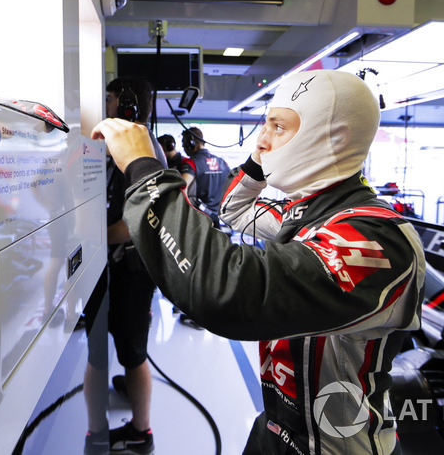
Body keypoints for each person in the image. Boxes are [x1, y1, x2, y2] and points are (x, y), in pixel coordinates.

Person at [91, 69, 426, 455]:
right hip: (276, 428)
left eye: (279, 127)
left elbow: (228, 293)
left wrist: (143, 170)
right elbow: (236, 208)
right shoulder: (308, 213)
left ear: (334, 139)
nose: (262, 139)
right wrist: (263, 150)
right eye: (263, 125)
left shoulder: (378, 238)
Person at [83, 77, 167, 455]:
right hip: (111, 268)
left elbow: (135, 225)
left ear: (128, 104)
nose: (107, 105)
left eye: (111, 99)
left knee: (131, 354)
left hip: (130, 271)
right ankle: (99, 429)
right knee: (101, 352)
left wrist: (86, 237)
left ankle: (139, 433)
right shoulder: (123, 145)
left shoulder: (141, 151)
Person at [181, 126, 230, 228]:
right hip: (218, 219)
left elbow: (182, 190)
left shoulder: (191, 163)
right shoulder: (222, 163)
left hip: (199, 220)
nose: (183, 148)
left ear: (190, 143)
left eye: (184, 144)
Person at [157, 133, 197, 205]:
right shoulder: (165, 164)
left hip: (185, 204)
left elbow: (183, 187)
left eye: (160, 149)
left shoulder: (186, 163)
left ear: (170, 146)